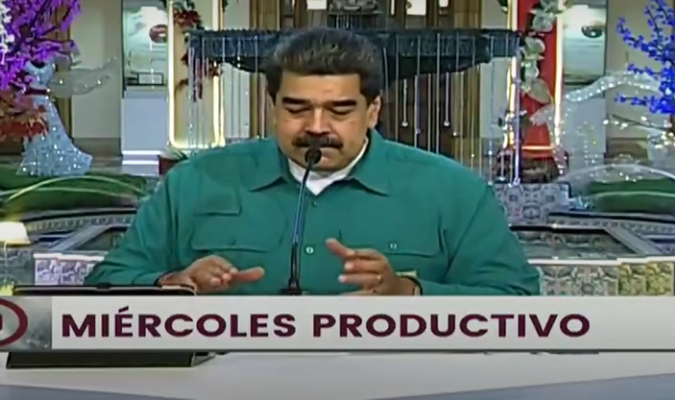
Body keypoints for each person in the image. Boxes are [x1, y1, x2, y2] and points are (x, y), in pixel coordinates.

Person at [85, 28, 540, 296]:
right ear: (273, 106)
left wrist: (410, 292)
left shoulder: (453, 191)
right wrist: (173, 284)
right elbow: (108, 282)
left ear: (373, 111)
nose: (317, 126)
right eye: (297, 108)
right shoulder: (194, 182)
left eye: (340, 110)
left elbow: (516, 299)